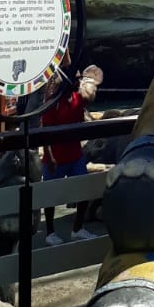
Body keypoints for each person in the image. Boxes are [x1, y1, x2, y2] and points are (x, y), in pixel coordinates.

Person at [41, 64, 103, 246]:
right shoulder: (52, 103)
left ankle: (78, 228)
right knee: (52, 196)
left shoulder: (78, 99)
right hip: (55, 158)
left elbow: (89, 101)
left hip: (75, 155)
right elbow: (45, 132)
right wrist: (49, 156)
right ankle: (50, 233)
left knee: (83, 190)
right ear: (66, 81)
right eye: (76, 79)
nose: (79, 81)